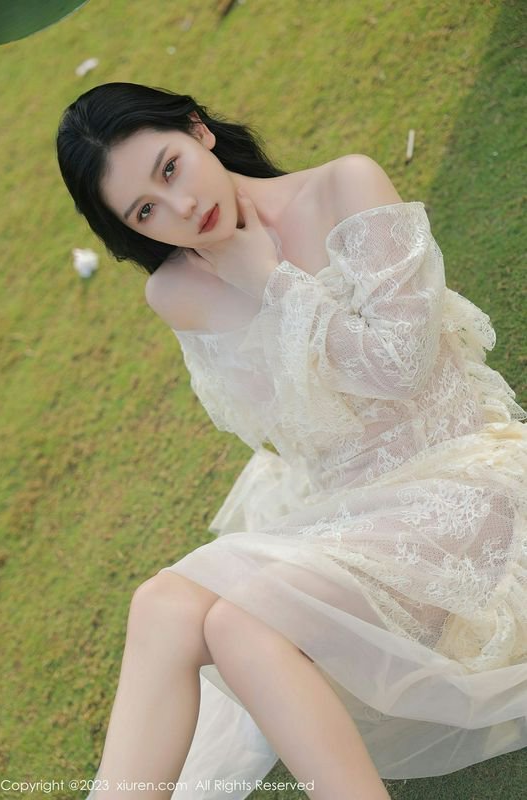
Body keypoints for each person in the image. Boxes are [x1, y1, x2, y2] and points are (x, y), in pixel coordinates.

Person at [56, 82, 527, 800]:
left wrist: (270, 281)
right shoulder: (176, 291)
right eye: (145, 211)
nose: (180, 207)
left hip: (464, 485)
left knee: (239, 624)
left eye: (170, 168)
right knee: (165, 605)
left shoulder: (345, 187)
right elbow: (299, 432)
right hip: (356, 509)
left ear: (198, 129)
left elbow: (400, 367)